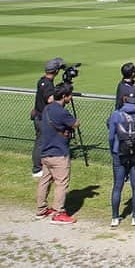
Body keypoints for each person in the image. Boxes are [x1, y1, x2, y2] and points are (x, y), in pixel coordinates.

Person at [35, 83, 79, 225]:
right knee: (61, 183)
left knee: (45, 181)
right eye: (69, 95)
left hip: (46, 152)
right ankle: (59, 213)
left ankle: (41, 209)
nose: (71, 98)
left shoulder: (48, 108)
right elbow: (75, 123)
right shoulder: (61, 112)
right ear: (65, 96)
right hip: (59, 153)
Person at [108, 84, 135, 227]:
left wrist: (113, 150)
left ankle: (115, 217)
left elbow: (111, 136)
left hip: (120, 151)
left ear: (124, 98)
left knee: (117, 186)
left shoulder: (116, 114)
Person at [31, 57, 63, 177]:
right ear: (56, 71)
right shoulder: (48, 84)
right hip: (42, 118)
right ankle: (37, 168)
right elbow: (50, 99)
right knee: (40, 142)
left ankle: (40, 165)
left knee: (40, 141)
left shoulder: (42, 80)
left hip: (38, 116)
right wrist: (59, 93)